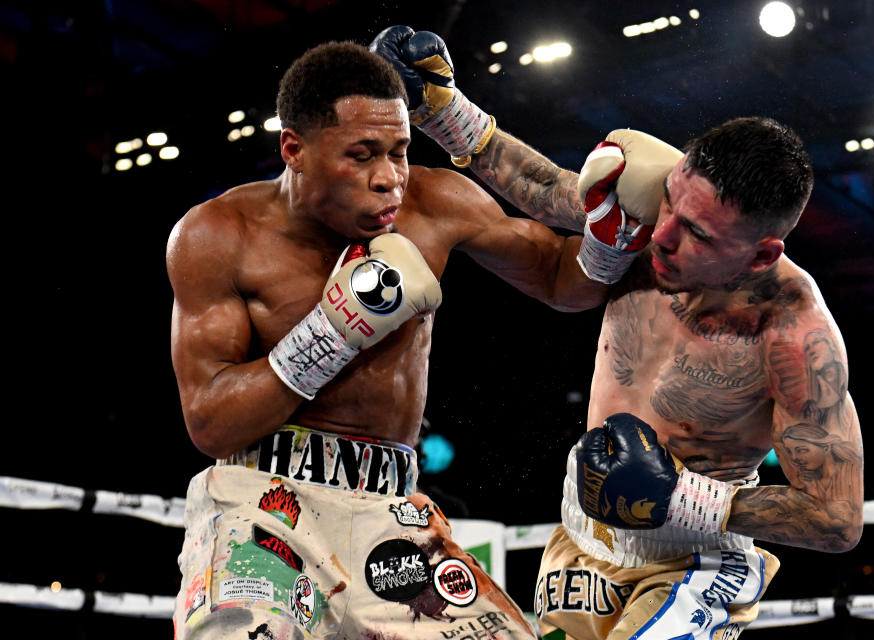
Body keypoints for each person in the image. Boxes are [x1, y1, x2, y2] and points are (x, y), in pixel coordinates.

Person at [373, 26, 864, 640]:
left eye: (698, 236)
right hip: (579, 540)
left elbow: (837, 518)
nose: (660, 237)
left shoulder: (793, 336)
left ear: (761, 256)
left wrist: (682, 498)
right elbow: (552, 191)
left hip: (693, 559)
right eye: (671, 210)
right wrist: (442, 111)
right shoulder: (652, 207)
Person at [166, 41, 626, 640]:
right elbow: (210, 424)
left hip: (393, 513)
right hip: (262, 502)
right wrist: (333, 331)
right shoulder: (218, 234)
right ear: (293, 149)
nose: (388, 179)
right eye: (360, 156)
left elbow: (565, 281)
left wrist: (618, 231)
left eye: (399, 152)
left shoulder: (434, 201)